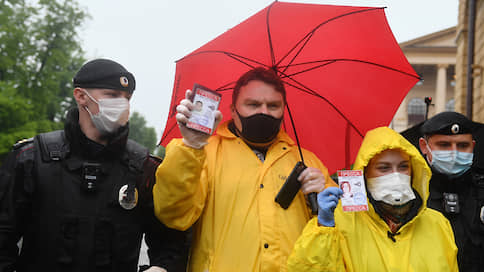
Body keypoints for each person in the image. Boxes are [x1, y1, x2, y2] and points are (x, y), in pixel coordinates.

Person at [0, 59, 188, 272]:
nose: (122, 104)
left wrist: (162, 268)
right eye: (112, 96)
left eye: (127, 98)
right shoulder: (32, 159)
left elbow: (172, 243)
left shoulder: (144, 168)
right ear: (81, 96)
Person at [153, 67, 335, 272]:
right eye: (253, 104)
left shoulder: (308, 161)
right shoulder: (203, 154)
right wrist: (191, 145)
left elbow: (338, 237)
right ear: (233, 110)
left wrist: (321, 205)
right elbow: (174, 215)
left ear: (284, 110)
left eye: (273, 105)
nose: (264, 112)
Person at [287, 127, 458, 271]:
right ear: (365, 174)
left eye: (403, 167)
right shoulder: (338, 224)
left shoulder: (438, 225)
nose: (395, 175)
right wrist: (323, 230)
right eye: (384, 168)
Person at [418, 111, 484, 271]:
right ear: (424, 146)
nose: (454, 153)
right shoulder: (414, 193)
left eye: (462, 146)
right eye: (444, 145)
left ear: (473, 146)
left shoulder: (481, 189)